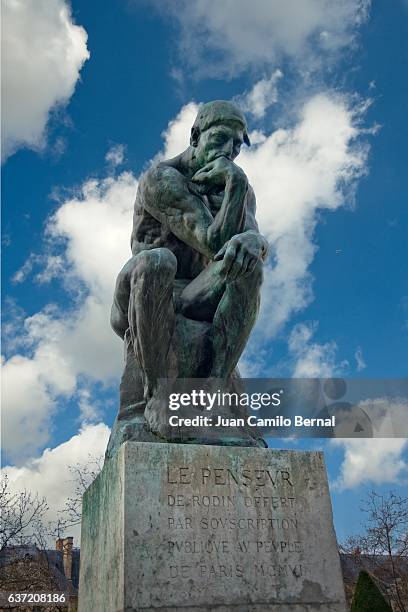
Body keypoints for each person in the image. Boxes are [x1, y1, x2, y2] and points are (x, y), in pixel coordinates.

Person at [111, 101, 269, 402]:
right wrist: (236, 183)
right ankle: (158, 396)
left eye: (237, 144)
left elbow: (251, 244)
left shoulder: (239, 188)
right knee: (158, 260)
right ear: (195, 135)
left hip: (196, 294)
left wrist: (256, 242)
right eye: (220, 138)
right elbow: (214, 243)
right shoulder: (162, 178)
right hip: (145, 291)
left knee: (250, 268)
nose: (230, 151)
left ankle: (216, 388)